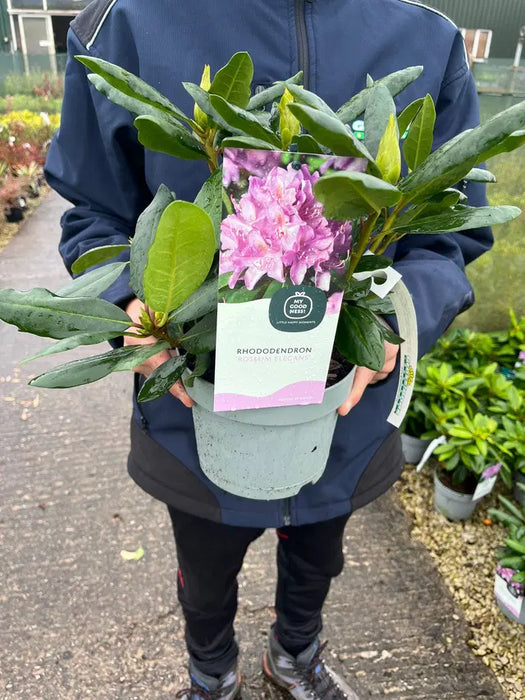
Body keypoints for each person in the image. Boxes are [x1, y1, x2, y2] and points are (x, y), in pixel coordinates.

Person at [45, 1, 493, 698]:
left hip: (344, 412)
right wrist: (134, 305)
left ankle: (292, 656)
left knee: (320, 559)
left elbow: (450, 233)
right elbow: (91, 213)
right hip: (197, 413)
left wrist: (399, 323)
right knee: (205, 571)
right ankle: (210, 671)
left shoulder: (424, 35)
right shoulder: (128, 21)